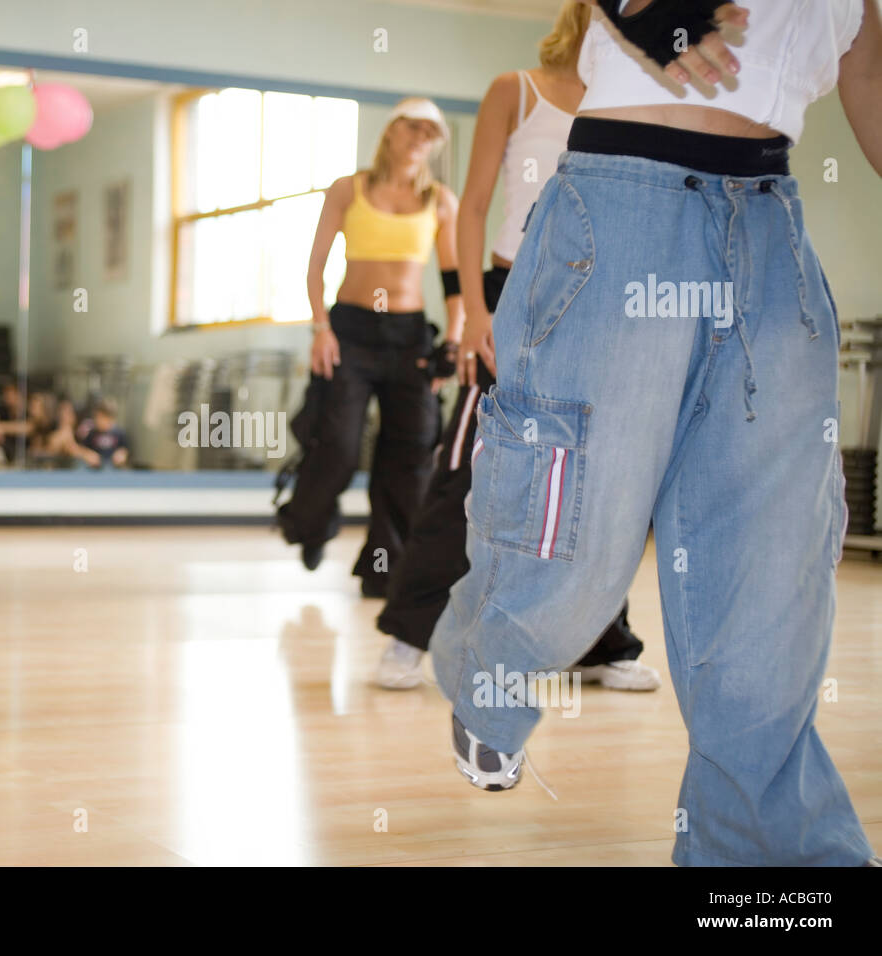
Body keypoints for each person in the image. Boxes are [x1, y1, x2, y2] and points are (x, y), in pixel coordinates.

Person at [432, 0, 880, 866]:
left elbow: (869, 80)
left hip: (770, 226)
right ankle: (493, 671)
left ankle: (761, 861)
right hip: (620, 205)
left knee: (769, 573)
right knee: (576, 533)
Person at [374, 2, 659, 694]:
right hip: (510, 293)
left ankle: (600, 641)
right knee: (467, 467)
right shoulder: (516, 89)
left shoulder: (630, 102)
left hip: (593, 299)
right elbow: (471, 206)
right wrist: (474, 311)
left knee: (595, 476)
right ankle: (410, 636)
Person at [276, 98, 462, 598]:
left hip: (409, 338)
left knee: (410, 453)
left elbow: (454, 281)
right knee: (335, 444)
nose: (420, 138)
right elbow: (315, 267)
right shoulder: (348, 189)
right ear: (391, 131)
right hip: (351, 333)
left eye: (430, 132)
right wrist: (321, 328)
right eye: (413, 127)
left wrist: (453, 342)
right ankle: (309, 527)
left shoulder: (440, 201)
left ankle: (386, 567)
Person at [80, 398, 128, 469]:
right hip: (95, 468)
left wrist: (121, 455)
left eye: (102, 418)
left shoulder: (119, 433)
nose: (98, 421)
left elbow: (124, 449)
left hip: (113, 467)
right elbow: (84, 449)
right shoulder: (92, 433)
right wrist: (88, 455)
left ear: (111, 419)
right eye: (97, 417)